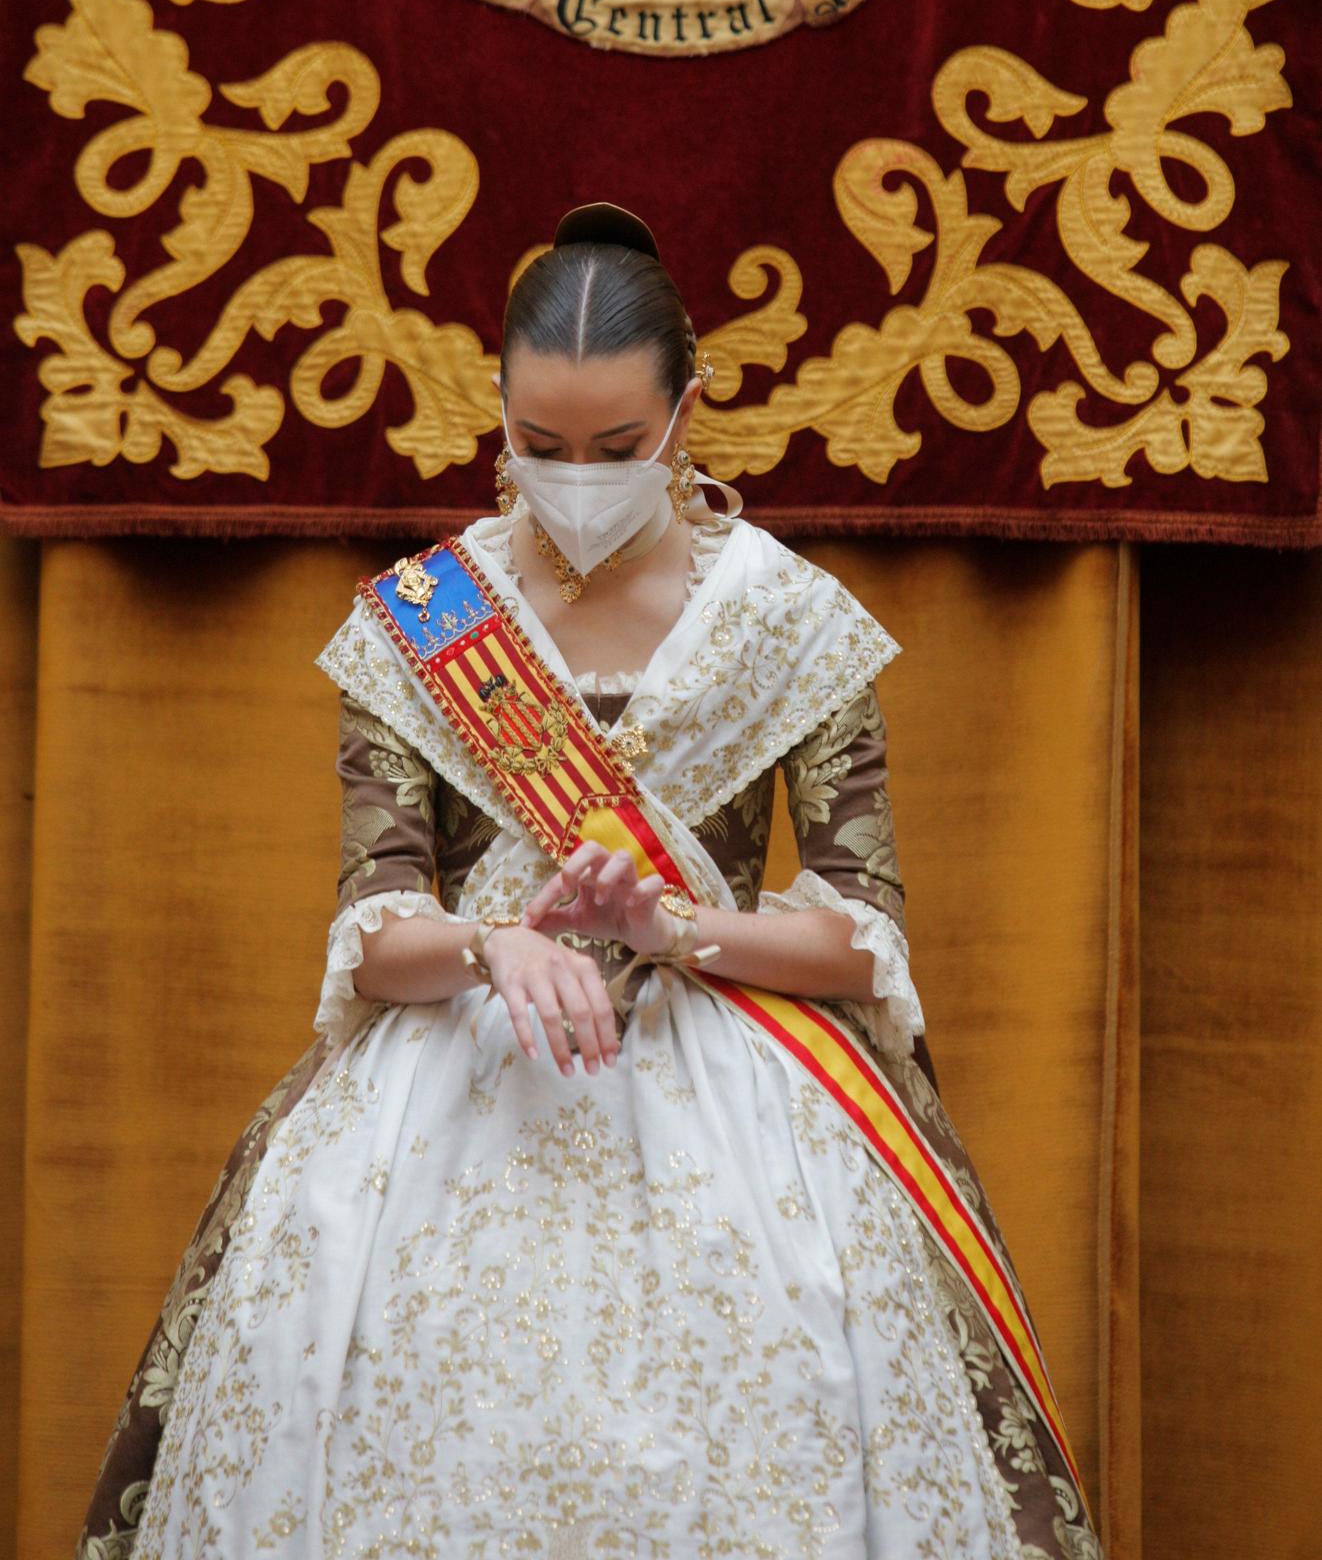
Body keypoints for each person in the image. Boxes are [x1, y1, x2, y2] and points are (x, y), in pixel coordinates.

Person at [77, 204, 1102, 1558]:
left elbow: (865, 941)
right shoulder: (423, 620)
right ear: (496, 417)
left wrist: (675, 928)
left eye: (617, 448)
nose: (577, 476)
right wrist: (491, 945)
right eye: (538, 447)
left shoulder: (784, 620)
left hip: (752, 1119)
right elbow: (371, 928)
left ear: (685, 410)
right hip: (441, 1107)